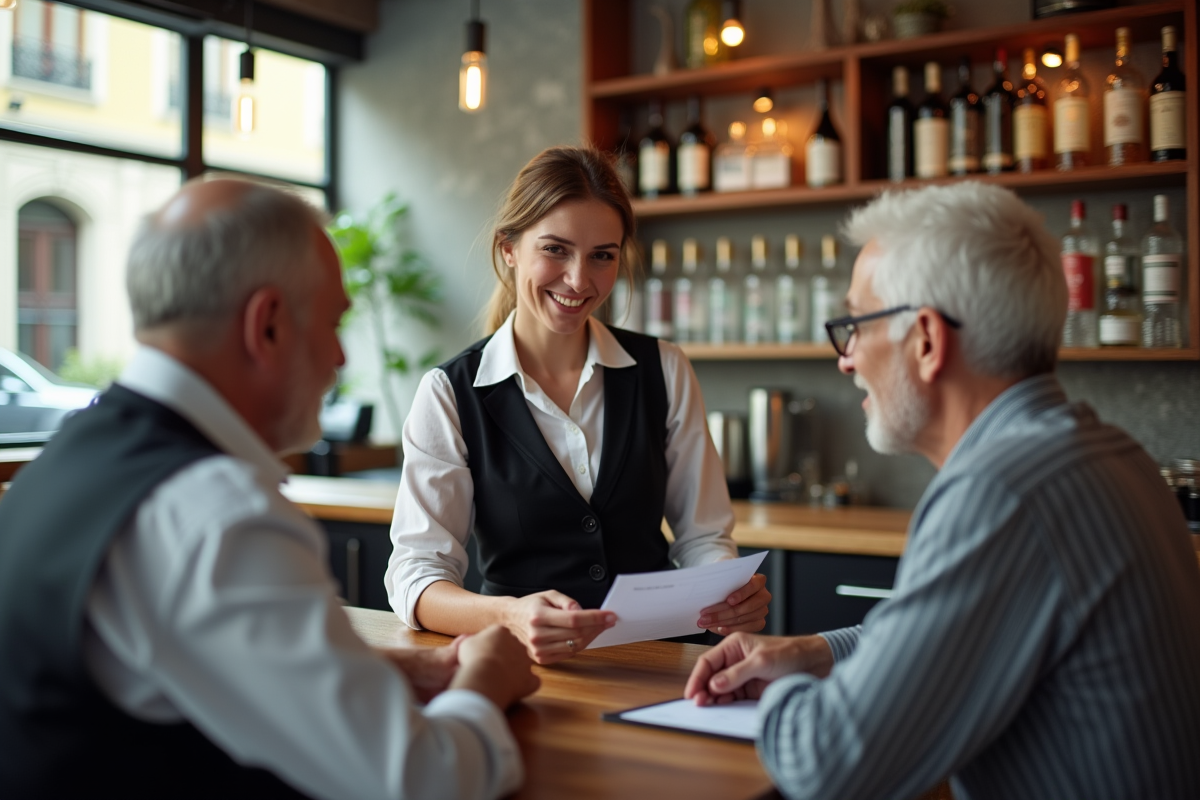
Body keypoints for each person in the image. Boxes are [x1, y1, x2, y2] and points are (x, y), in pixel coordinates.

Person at [0, 178, 540, 800]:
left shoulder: (62, 460)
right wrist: (485, 682)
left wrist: (396, 667)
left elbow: (181, 662)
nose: (340, 358)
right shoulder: (220, 516)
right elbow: (425, 781)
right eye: (334, 323)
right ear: (269, 325)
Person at [684, 182, 1200, 799]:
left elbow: (828, 765)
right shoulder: (1112, 453)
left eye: (853, 325)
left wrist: (774, 695)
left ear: (926, 340)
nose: (845, 360)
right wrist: (813, 653)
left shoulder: (999, 494)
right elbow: (943, 639)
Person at [386, 145, 770, 663]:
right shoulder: (449, 393)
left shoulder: (665, 369)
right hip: (522, 670)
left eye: (602, 256)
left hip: (657, 662)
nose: (579, 280)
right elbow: (416, 576)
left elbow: (703, 536)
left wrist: (726, 595)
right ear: (509, 249)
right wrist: (507, 615)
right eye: (555, 249)